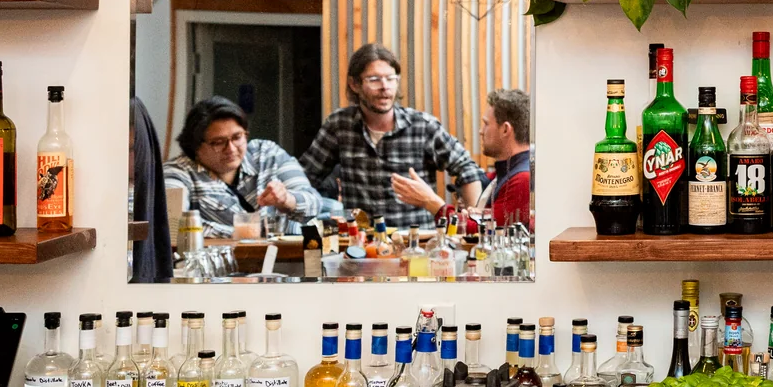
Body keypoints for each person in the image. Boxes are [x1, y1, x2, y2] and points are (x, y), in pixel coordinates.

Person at [300, 43, 483, 229]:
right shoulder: (339, 126)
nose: (385, 87)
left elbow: (467, 169)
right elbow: (305, 177)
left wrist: (470, 225)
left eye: (391, 78)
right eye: (374, 79)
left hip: (416, 243)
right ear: (354, 84)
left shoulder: (423, 126)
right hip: (362, 247)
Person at [163, 96, 326, 237]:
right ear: (195, 146)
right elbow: (172, 225)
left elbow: (314, 203)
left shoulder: (267, 153)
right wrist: (246, 233)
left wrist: (287, 200)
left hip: (283, 263)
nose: (231, 149)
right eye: (218, 143)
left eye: (237, 137)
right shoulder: (177, 171)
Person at [477, 88, 532, 229]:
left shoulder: (522, 179)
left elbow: (490, 229)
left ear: (505, 129)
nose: (481, 131)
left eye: (486, 124)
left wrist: (434, 205)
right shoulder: (507, 171)